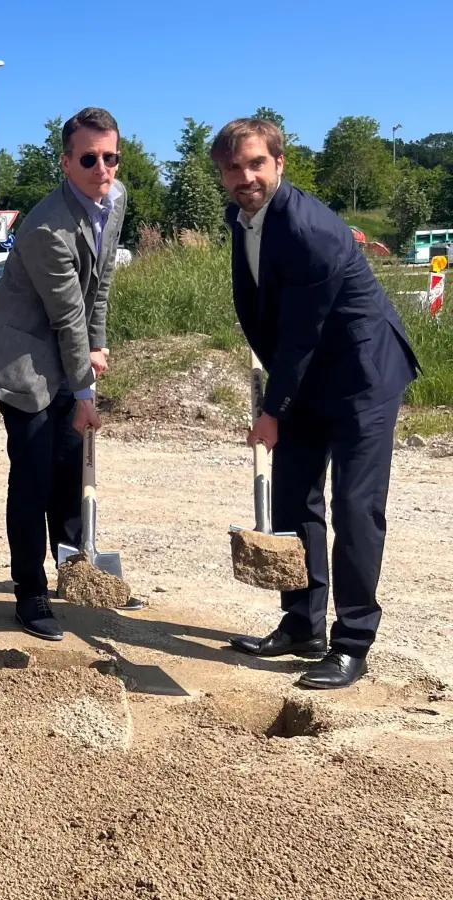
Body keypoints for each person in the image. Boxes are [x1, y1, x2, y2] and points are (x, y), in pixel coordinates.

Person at [211, 117, 420, 689]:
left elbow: (303, 332)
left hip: (361, 376)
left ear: (279, 162)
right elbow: (265, 314)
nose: (245, 176)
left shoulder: (310, 230)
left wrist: (271, 410)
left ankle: (353, 642)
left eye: (256, 163)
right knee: (295, 502)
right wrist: (280, 396)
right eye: (233, 167)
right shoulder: (243, 218)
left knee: (356, 508)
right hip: (303, 376)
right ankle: (302, 622)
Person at [0, 107, 127, 642]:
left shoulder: (116, 199)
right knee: (36, 474)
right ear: (66, 161)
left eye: (111, 156)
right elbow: (66, 316)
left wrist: (99, 344)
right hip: (23, 356)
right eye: (89, 158)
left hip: (70, 346)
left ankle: (74, 567)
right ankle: (28, 591)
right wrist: (85, 391)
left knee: (69, 469)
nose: (102, 168)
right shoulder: (45, 228)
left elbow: (101, 284)